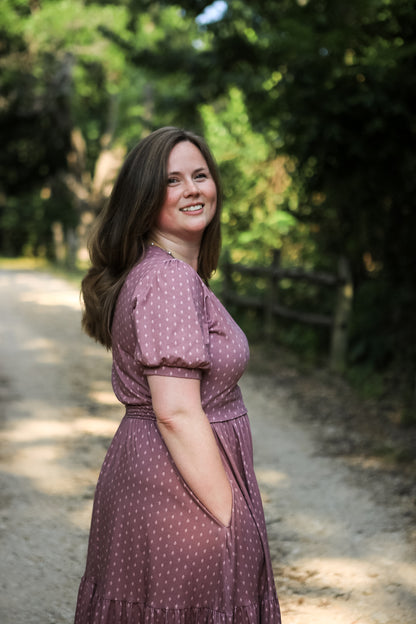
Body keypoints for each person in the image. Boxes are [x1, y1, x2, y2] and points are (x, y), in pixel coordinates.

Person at [74, 126, 281, 623]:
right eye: (172, 180)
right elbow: (176, 413)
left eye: (200, 175)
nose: (192, 189)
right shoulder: (167, 279)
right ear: (144, 199)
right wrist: (231, 518)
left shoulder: (161, 271)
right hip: (179, 494)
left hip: (158, 480)